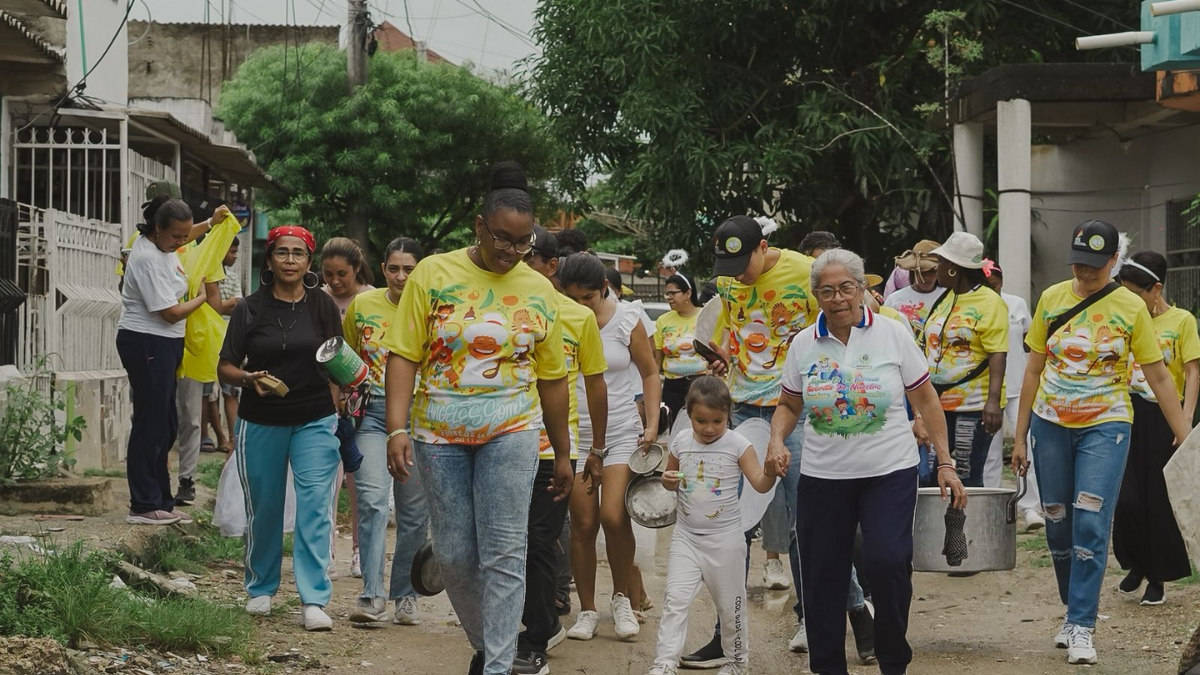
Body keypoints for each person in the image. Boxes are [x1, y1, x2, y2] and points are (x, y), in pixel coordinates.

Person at [383, 162, 572, 675]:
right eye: (502, 240)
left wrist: (563, 452)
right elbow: (403, 354)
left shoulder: (539, 289)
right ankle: (491, 648)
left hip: (512, 429)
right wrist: (396, 428)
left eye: (522, 244)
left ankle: (497, 667)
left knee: (504, 551)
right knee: (456, 555)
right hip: (438, 431)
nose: (511, 252)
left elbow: (553, 379)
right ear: (478, 226)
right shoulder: (433, 273)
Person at [771, 248, 968, 675]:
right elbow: (788, 404)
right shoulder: (803, 343)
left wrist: (946, 462)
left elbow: (926, 398)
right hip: (824, 477)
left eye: (846, 288)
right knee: (823, 577)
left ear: (862, 289)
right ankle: (828, 667)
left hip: (888, 472)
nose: (838, 298)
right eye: (827, 290)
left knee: (888, 561)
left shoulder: (893, 334)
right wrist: (775, 439)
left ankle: (893, 660)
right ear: (816, 296)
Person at [688, 215, 872, 666]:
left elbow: (843, 326)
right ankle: (725, 636)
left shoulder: (803, 273)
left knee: (807, 524)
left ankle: (856, 612)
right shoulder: (727, 281)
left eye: (742, 262)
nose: (735, 273)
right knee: (729, 522)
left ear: (764, 247)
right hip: (746, 407)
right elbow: (733, 333)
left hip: (801, 409)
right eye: (726, 264)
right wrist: (722, 358)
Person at [1012, 220, 1193, 666]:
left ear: (1114, 261)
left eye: (1095, 265)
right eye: (1078, 263)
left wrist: (1187, 439)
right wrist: (1019, 436)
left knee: (1091, 521)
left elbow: (1156, 376)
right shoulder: (1052, 298)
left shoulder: (1130, 306)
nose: (1085, 272)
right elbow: (1033, 370)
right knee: (1057, 520)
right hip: (1050, 424)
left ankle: (1081, 623)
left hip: (1107, 424)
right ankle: (1072, 606)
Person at [217, 225, 344, 631]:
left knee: (314, 508)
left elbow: (336, 359)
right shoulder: (249, 308)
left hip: (315, 417)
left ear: (309, 261)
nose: (290, 260)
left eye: (299, 254)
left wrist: (344, 405)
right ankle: (261, 589)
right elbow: (226, 366)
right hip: (261, 419)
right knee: (265, 508)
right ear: (269, 259)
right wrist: (248, 378)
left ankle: (313, 599)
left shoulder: (323, 307)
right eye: (282, 253)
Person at [519, 227, 609, 675]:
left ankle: (537, 634)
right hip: (496, 440)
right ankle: (518, 624)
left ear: (550, 266)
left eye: (530, 257)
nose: (521, 264)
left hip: (553, 448)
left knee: (538, 539)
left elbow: (595, 382)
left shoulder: (577, 318)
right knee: (504, 543)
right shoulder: (501, 308)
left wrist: (594, 448)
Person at [560, 252, 662, 643]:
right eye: (572, 298)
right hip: (574, 434)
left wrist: (651, 424)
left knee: (614, 517)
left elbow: (651, 371)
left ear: (604, 289)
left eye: (587, 298)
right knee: (583, 525)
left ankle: (624, 600)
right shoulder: (558, 318)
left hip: (621, 433)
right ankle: (587, 610)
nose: (580, 306)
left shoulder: (628, 318)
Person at [650, 376, 779, 675]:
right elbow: (670, 480)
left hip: (725, 540)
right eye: (700, 421)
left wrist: (771, 471)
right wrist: (666, 480)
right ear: (689, 414)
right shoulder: (681, 442)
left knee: (730, 605)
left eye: (717, 421)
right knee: (675, 599)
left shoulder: (738, 445)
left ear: (729, 416)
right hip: (686, 537)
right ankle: (665, 662)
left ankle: (736, 663)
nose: (709, 429)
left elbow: (759, 484)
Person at [343, 237, 432, 626]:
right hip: (372, 414)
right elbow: (346, 354)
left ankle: (405, 595)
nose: (401, 276)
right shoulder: (362, 305)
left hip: (418, 416)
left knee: (414, 513)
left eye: (409, 269)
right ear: (383, 270)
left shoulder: (432, 309)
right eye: (394, 268)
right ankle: (371, 594)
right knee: (373, 500)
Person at [116, 198, 215, 526]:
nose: (182, 241)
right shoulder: (145, 257)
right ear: (157, 229)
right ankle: (143, 504)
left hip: (166, 343)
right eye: (176, 236)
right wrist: (201, 298)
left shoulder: (164, 248)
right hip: (147, 341)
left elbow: (189, 233)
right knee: (151, 422)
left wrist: (211, 223)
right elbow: (169, 313)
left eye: (186, 235)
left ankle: (160, 499)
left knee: (167, 423)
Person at [1113, 251, 1199, 606]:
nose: (1129, 300)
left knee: (1157, 499)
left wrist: (1186, 422)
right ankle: (1135, 562)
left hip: (1163, 416)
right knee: (1125, 497)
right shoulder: (1125, 319)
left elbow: (1193, 372)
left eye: (1136, 293)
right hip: (1125, 414)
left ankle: (1157, 576)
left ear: (1156, 289)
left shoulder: (1182, 321)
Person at [923, 232, 1007, 488]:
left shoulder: (990, 302)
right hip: (937, 403)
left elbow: (997, 353)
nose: (938, 268)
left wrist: (992, 402)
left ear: (955, 268)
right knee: (933, 473)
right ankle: (938, 529)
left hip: (973, 405)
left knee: (967, 476)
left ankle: (964, 529)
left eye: (942, 263)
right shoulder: (944, 298)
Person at [321, 236, 376, 579]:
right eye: (328, 274)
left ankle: (359, 552)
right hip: (323, 400)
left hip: (362, 401)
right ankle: (324, 550)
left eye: (341, 274)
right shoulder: (317, 299)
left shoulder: (373, 299)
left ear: (357, 268)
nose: (334, 281)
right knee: (325, 479)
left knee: (360, 482)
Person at [983, 263, 1044, 530]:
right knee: (991, 452)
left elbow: (1030, 342)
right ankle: (991, 508)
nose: (991, 287)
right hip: (987, 392)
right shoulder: (974, 305)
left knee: (1027, 447)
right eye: (986, 282)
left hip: (1019, 387)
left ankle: (1031, 507)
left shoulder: (1016, 304)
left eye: (995, 282)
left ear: (1002, 280)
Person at [656, 271, 706, 431]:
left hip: (701, 384)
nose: (669, 297)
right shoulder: (663, 321)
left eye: (673, 293)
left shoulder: (705, 316)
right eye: (667, 294)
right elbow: (657, 359)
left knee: (701, 427)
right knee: (677, 430)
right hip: (673, 386)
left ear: (688, 293)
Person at [214, 237, 244, 455]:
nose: (235, 256)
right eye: (232, 251)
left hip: (230, 339)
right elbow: (210, 307)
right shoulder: (207, 274)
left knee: (230, 391)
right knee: (208, 395)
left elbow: (238, 305)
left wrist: (217, 306)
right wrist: (224, 305)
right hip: (208, 339)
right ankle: (216, 436)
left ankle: (235, 440)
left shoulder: (232, 277)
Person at [884, 240, 943, 338]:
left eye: (932, 271)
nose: (927, 277)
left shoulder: (949, 296)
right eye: (922, 272)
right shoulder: (894, 299)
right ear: (912, 271)